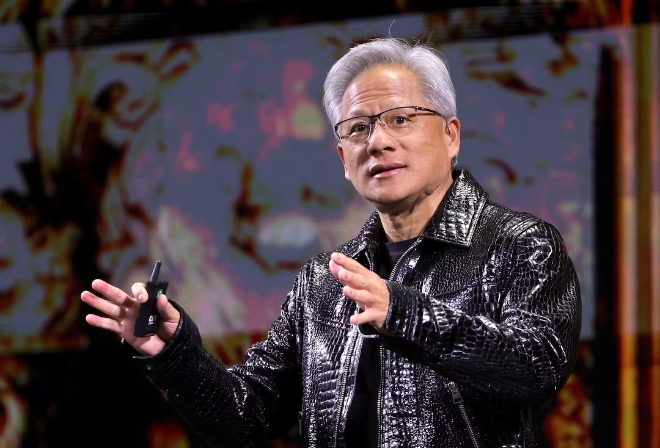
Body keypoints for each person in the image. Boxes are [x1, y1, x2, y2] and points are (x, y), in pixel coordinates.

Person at [81, 38, 581, 448]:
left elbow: (536, 366)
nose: (378, 142)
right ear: (343, 158)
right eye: (359, 128)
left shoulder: (521, 246)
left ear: (451, 135)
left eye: (400, 119)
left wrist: (404, 313)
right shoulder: (324, 282)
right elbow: (246, 419)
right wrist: (173, 353)